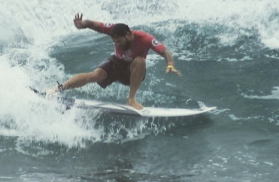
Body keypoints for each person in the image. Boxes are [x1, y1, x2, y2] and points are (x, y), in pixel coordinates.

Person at [47, 13, 181, 110]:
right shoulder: (114, 29)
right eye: (115, 42)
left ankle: (131, 99)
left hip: (131, 71)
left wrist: (170, 64)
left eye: (119, 41)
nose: (118, 44)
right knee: (94, 75)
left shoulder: (145, 38)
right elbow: (96, 25)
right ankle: (58, 89)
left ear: (128, 35)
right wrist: (82, 24)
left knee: (140, 61)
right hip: (116, 63)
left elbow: (164, 51)